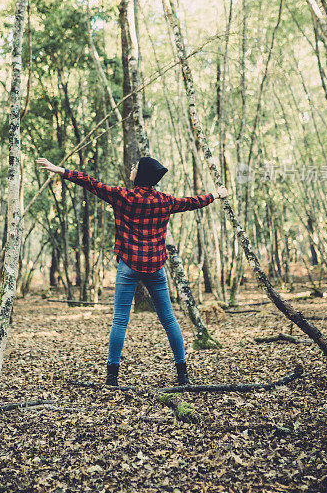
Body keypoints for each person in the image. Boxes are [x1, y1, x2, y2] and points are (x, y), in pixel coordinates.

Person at [36, 155, 229, 387]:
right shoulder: (164, 201)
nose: (132, 168)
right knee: (169, 319)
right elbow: (193, 202)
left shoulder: (123, 196)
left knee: (120, 320)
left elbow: (91, 183)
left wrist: (60, 170)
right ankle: (182, 375)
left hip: (129, 266)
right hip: (155, 267)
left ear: (140, 174)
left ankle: (112, 378)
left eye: (135, 166)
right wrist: (217, 194)